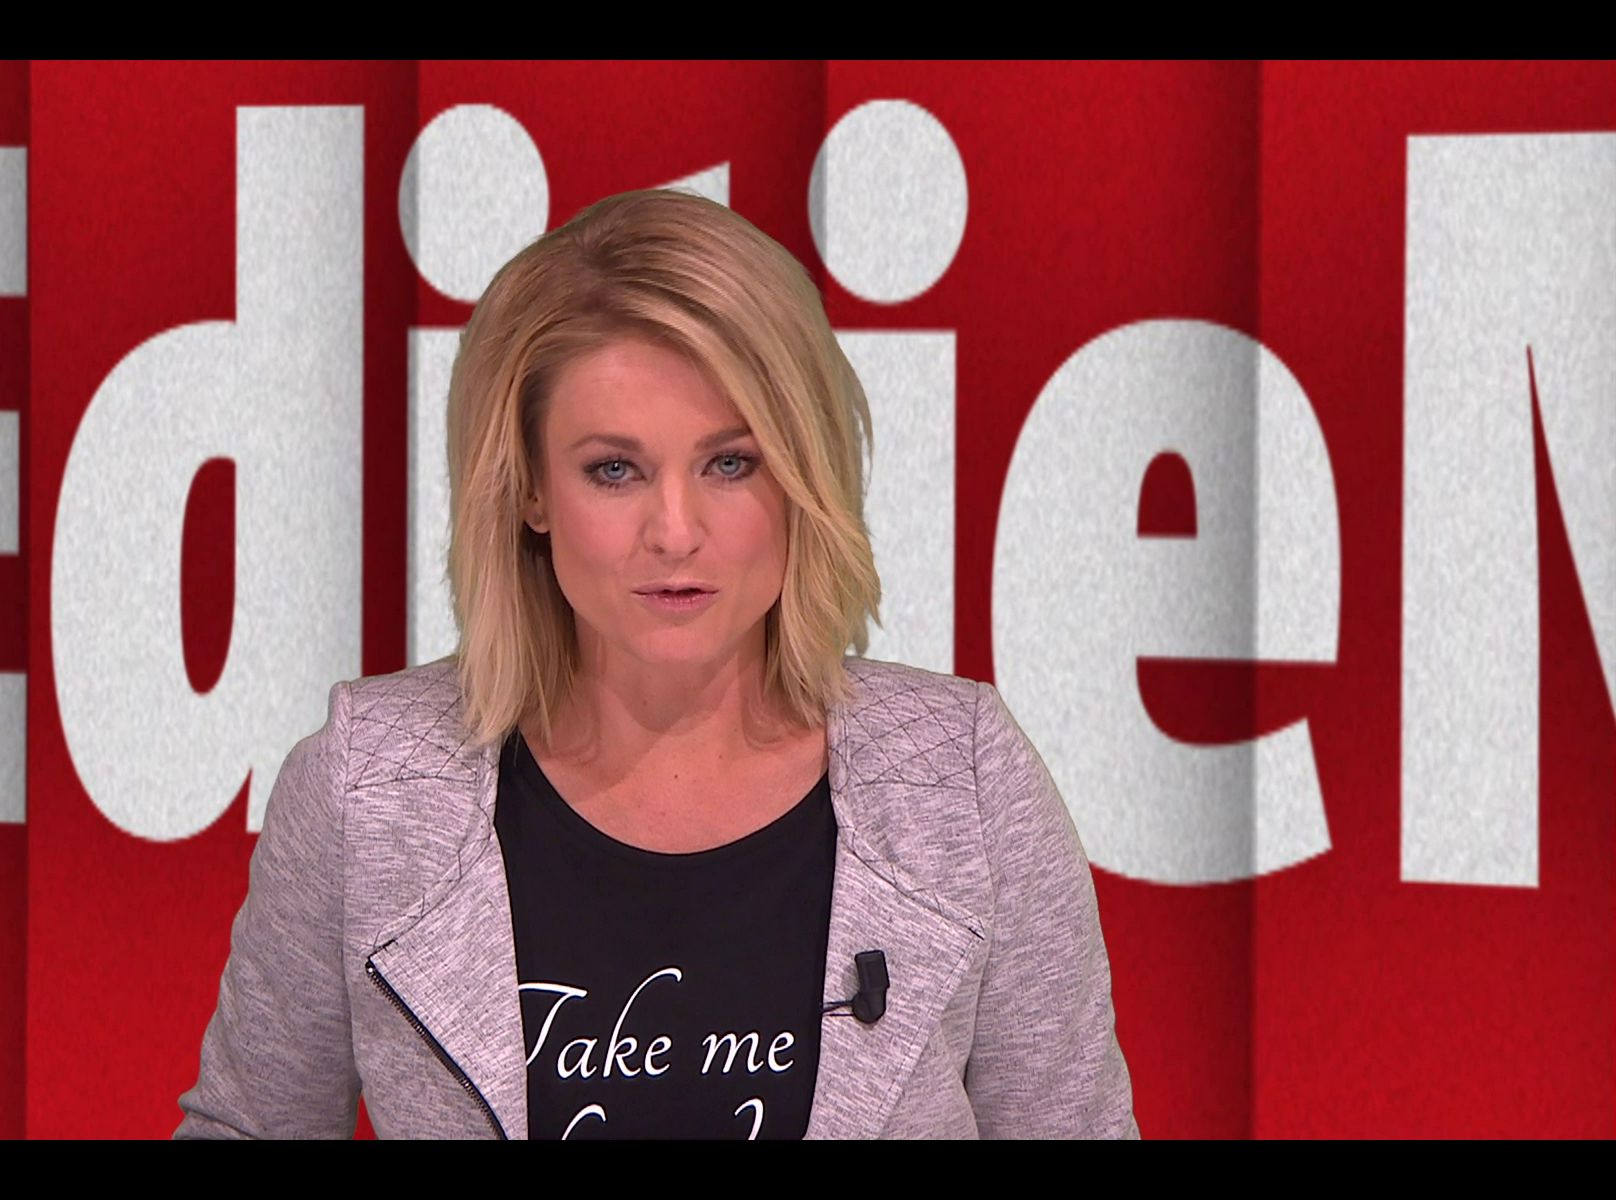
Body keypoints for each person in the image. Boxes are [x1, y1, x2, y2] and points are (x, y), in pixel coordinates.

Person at [173, 188, 1137, 1140]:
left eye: (730, 463)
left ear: (802, 474)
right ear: (531, 491)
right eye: (614, 470)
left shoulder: (962, 780)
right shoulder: (367, 790)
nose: (675, 532)